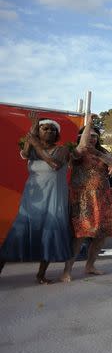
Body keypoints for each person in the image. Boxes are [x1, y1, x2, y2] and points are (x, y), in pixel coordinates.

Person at [0, 113, 71, 283]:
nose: (49, 131)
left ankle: (41, 275)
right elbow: (25, 151)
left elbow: (54, 165)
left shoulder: (62, 150)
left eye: (53, 129)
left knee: (48, 236)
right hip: (32, 202)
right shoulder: (31, 150)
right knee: (17, 235)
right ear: (38, 132)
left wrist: (37, 144)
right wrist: (33, 127)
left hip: (53, 201)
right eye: (44, 128)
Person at [65, 115, 112, 281]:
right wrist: (88, 125)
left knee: (101, 235)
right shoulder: (76, 151)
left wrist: (96, 151)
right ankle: (67, 270)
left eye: (95, 136)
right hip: (83, 198)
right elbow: (79, 150)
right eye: (89, 135)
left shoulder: (102, 152)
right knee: (80, 234)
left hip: (102, 197)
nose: (92, 138)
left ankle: (90, 266)